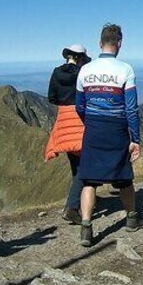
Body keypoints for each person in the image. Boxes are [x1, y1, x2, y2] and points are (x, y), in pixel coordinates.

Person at [75, 24, 143, 247]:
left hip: (94, 128)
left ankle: (86, 227)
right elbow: (131, 107)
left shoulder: (85, 70)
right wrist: (135, 138)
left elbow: (79, 105)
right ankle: (132, 218)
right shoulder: (125, 69)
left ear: (100, 43)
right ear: (119, 43)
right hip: (117, 129)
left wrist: (90, 122)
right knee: (124, 178)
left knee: (89, 180)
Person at [45, 44, 90, 225]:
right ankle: (71, 208)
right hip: (79, 119)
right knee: (83, 167)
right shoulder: (82, 72)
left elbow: (51, 97)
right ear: (80, 58)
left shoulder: (56, 72)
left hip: (63, 120)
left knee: (75, 163)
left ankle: (77, 199)